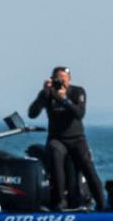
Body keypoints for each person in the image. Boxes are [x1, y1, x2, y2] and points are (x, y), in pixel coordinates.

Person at [27, 66, 104, 211]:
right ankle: (60, 202)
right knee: (56, 156)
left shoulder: (77, 92)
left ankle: (101, 204)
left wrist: (64, 99)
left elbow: (79, 114)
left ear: (69, 79)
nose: (61, 82)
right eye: (57, 78)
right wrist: (43, 94)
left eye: (64, 78)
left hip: (76, 138)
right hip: (57, 138)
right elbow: (32, 113)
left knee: (88, 167)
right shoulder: (47, 94)